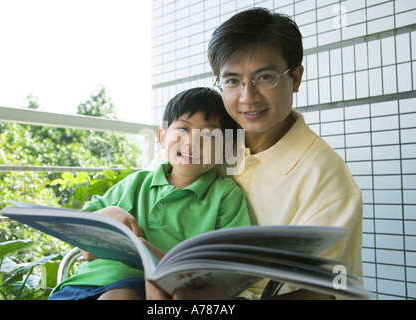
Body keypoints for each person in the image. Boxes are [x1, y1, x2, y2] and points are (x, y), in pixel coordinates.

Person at [146, 8, 363, 300]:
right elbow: (143, 192)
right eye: (233, 81)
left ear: (296, 78)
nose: (248, 97)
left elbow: (328, 290)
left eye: (265, 77)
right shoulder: (201, 143)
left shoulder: (326, 179)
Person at [48, 87, 251, 300]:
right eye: (183, 129)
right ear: (163, 137)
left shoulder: (225, 195)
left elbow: (230, 266)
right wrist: (107, 214)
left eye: (209, 135)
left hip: (142, 288)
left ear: (227, 148)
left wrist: (151, 253)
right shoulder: (136, 183)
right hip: (80, 284)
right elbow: (81, 232)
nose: (192, 142)